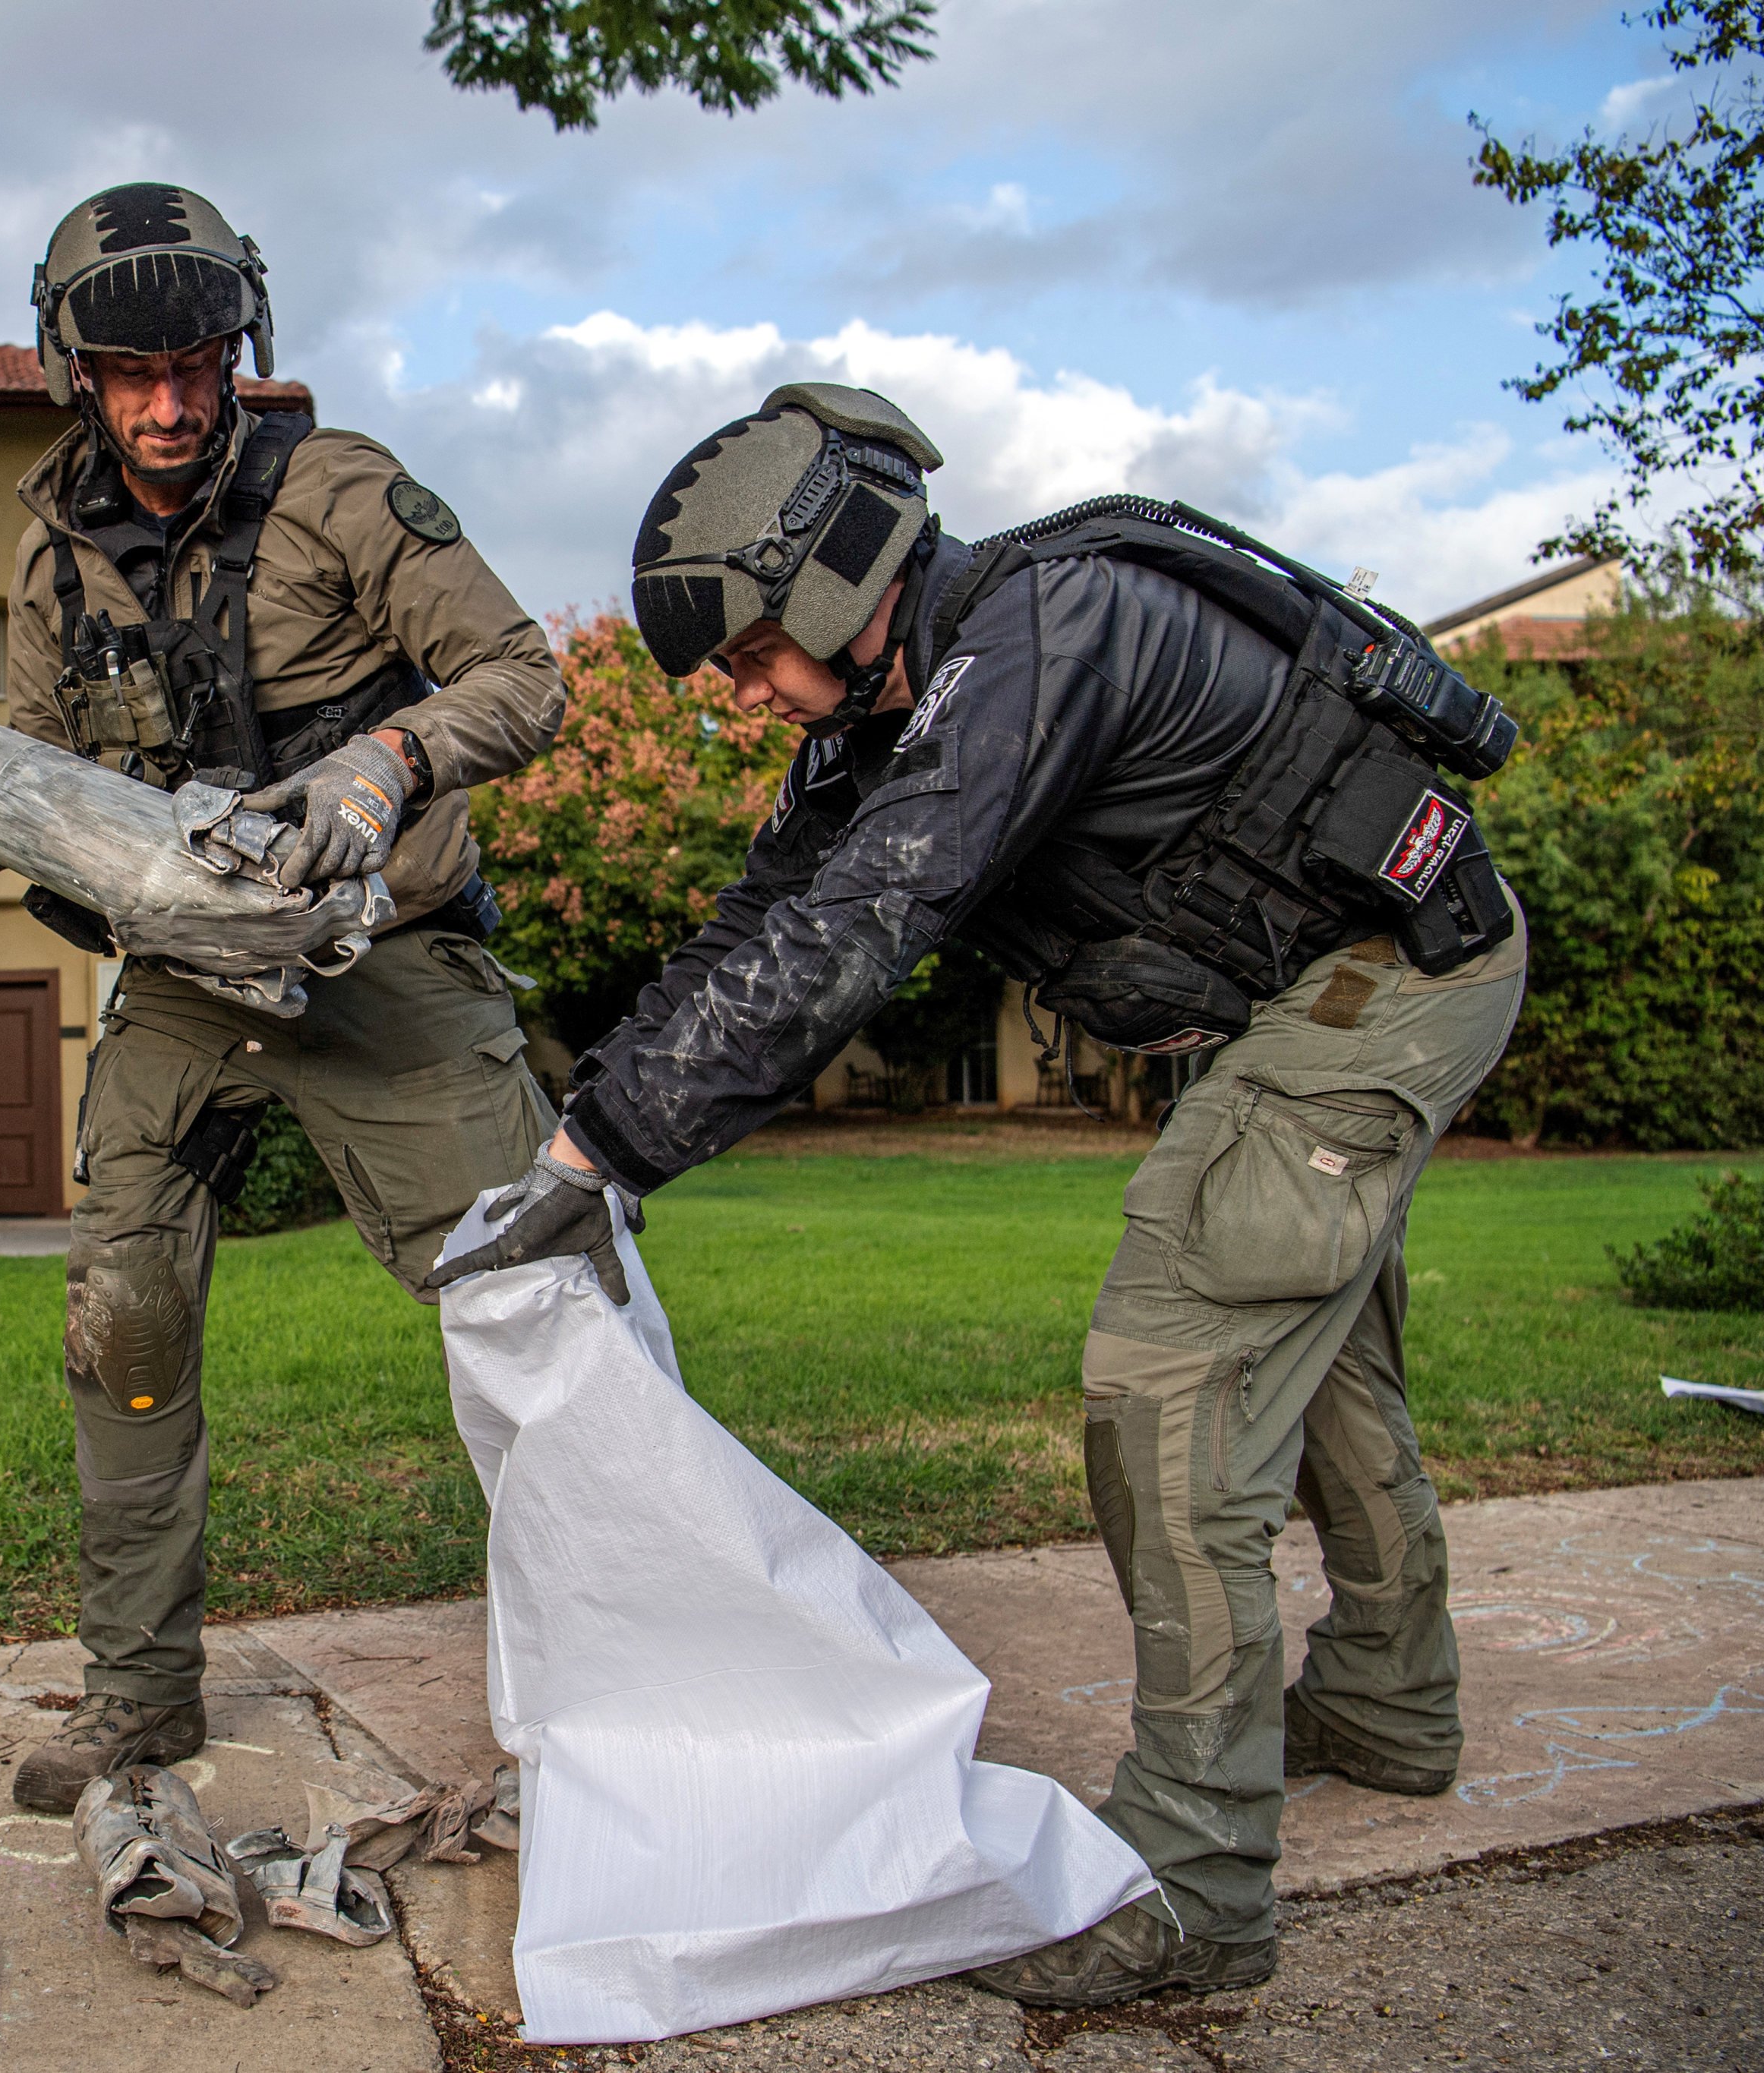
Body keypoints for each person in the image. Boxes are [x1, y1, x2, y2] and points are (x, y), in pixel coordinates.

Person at [428, 382, 1527, 2006]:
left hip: (1384, 980)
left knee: (1171, 1380)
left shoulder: (1044, 630)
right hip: (1293, 1002)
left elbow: (873, 915)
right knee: (1313, 1360)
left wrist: (608, 1157)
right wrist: (581, 1147)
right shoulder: (888, 708)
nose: (740, 697)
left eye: (743, 653)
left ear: (829, 573)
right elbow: (763, 921)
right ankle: (1384, 1700)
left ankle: (1193, 1884)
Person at [0, 183, 567, 1815]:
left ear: (242, 348)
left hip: (386, 965)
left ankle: (621, 1685)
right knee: (120, 1324)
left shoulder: (342, 491)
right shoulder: (49, 553)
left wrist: (387, 757)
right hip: (179, 983)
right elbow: (47, 808)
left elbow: (524, 674)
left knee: (534, 1311)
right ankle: (141, 1700)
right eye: (130, 371)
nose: (167, 404)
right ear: (69, 367)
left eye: (197, 363)